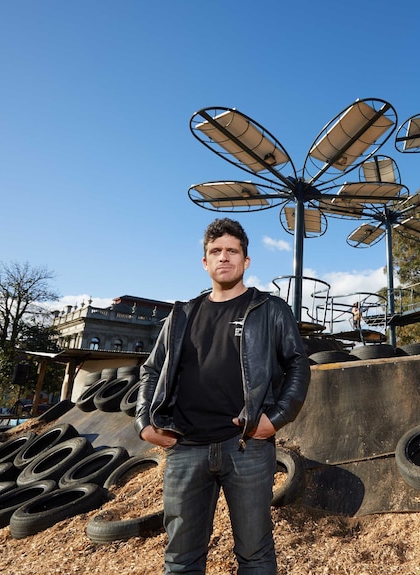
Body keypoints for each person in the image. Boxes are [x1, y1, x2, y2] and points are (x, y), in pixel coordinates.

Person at [136, 217, 310, 575]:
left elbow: (298, 365)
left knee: (255, 553)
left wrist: (274, 419)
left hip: (246, 446)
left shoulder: (270, 310)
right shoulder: (182, 314)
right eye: (216, 251)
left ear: (246, 261)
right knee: (181, 559)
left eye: (233, 251)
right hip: (185, 447)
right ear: (205, 262)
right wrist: (144, 424)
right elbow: (152, 370)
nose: (224, 257)